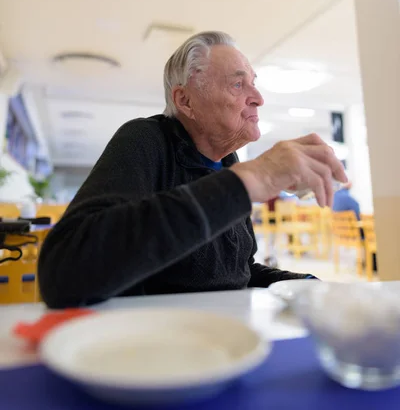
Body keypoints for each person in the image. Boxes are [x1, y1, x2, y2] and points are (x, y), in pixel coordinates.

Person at [38, 31, 346, 308]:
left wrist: (304, 285)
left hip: (222, 338)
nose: (258, 98)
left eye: (253, 82)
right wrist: (251, 179)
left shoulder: (227, 162)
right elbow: (64, 271)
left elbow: (238, 271)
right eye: (238, 84)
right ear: (185, 100)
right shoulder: (145, 139)